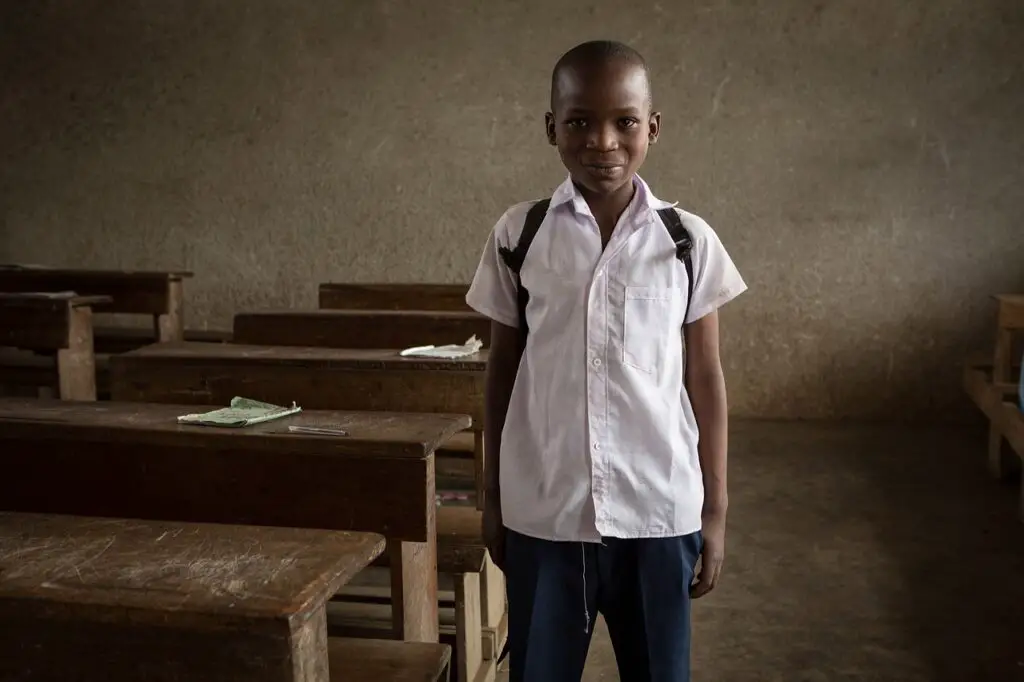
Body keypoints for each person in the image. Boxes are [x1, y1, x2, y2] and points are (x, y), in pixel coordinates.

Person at [465, 39, 747, 682]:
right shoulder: (521, 232)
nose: (603, 141)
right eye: (579, 122)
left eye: (624, 122)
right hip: (547, 511)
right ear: (550, 128)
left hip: (658, 511)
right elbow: (503, 369)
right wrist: (494, 496)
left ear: (653, 127)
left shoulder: (685, 239)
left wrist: (715, 513)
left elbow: (705, 379)